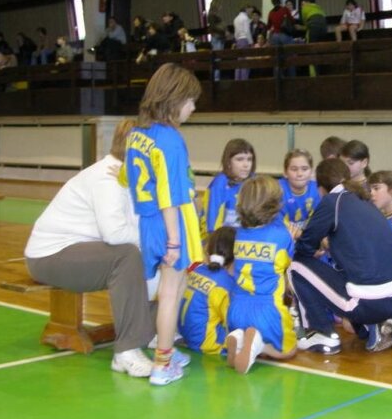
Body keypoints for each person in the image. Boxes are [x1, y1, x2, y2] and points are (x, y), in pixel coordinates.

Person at [25, 118, 156, 378]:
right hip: (49, 256)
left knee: (151, 255)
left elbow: (137, 226)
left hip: (77, 252)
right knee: (127, 256)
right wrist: (153, 240)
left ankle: (152, 333)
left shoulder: (130, 177)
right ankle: (126, 351)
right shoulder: (107, 178)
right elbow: (116, 234)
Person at [124, 63, 204, 386]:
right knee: (171, 292)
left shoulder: (136, 134)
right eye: (190, 101)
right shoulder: (169, 138)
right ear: (174, 98)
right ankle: (163, 363)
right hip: (172, 221)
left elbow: (126, 177)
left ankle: (166, 348)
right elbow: (170, 195)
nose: (193, 108)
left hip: (148, 221)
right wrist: (174, 239)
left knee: (176, 287)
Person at [289, 159, 392, 355]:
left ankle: (320, 333)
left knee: (296, 266)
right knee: (348, 271)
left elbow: (304, 248)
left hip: (370, 301)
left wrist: (303, 241)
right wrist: (326, 245)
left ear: (321, 188)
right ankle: (373, 326)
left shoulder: (332, 201)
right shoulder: (364, 200)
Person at [225, 176, 297, 374]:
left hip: (236, 309)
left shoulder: (240, 233)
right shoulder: (281, 234)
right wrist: (292, 239)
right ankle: (261, 346)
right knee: (289, 350)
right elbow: (288, 266)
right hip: (268, 309)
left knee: (250, 334)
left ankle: (240, 339)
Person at [178, 227, 237, 355]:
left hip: (185, 335)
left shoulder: (197, 270)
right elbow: (232, 323)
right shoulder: (225, 284)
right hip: (207, 342)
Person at [202, 138, 255, 235]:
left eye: (249, 159)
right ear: (228, 162)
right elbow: (212, 224)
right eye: (240, 159)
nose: (246, 165)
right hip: (223, 237)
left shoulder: (254, 182)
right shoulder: (219, 184)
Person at [279, 149, 321, 232]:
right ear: (285, 172)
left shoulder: (318, 190)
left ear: (312, 172)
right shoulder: (276, 190)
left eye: (304, 169)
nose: (299, 174)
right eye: (294, 169)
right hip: (283, 234)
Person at [233, 3, 253, 80]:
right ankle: (244, 79)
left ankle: (237, 79)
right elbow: (247, 31)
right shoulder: (245, 18)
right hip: (245, 39)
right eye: (250, 9)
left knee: (239, 61)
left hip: (238, 40)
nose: (251, 11)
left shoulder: (236, 19)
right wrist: (251, 42)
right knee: (245, 62)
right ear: (246, 9)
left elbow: (235, 33)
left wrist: (237, 40)